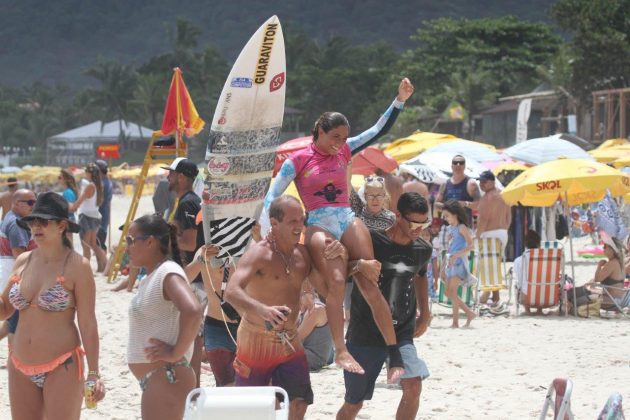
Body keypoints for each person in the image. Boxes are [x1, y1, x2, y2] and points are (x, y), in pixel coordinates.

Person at [260, 78, 414, 376]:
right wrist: (271, 225)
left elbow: (378, 129)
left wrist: (400, 100)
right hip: (318, 223)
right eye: (335, 136)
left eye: (344, 137)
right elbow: (272, 195)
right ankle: (341, 351)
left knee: (371, 281)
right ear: (319, 131)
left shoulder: (345, 150)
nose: (340, 143)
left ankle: (394, 354)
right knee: (337, 282)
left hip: (346, 217)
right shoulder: (298, 160)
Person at [226, 196, 346, 420]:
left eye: (301, 220)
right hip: (256, 339)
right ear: (274, 223)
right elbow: (231, 291)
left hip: (289, 339)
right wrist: (263, 310)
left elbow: (327, 290)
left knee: (300, 401)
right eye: (292, 221)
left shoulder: (302, 254)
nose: (299, 226)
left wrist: (341, 257)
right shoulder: (259, 254)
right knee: (252, 409)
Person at [0, 192, 105, 419]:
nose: (36, 227)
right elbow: (5, 309)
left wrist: (94, 373)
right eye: (33, 221)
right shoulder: (23, 261)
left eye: (44, 222)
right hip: (19, 364)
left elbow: (87, 323)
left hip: (62, 364)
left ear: (61, 226)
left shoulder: (78, 266)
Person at [337, 192, 432, 420]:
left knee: (413, 387)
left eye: (424, 223)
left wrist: (426, 314)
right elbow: (342, 270)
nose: (418, 228)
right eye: (413, 222)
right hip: (365, 332)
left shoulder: (423, 249)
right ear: (398, 215)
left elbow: (421, 276)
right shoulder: (372, 241)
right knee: (354, 403)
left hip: (402, 332)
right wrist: (358, 263)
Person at [126, 214, 202, 419]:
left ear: (150, 242)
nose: (127, 248)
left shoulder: (167, 271)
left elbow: (193, 311)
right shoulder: (154, 275)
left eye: (131, 241)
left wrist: (176, 353)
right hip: (162, 378)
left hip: (168, 375)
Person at [161, 157, 205, 387]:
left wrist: (162, 239)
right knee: (192, 336)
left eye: (170, 173)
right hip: (193, 276)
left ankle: (192, 386)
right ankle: (192, 385)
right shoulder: (187, 201)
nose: (167, 177)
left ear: (181, 177)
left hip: (193, 278)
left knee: (191, 337)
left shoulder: (188, 203)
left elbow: (189, 242)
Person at [0, 189, 37, 343]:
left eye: (35, 201)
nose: (33, 206)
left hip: (7, 271)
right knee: (16, 318)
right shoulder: (17, 224)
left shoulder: (10, 216)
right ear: (16, 203)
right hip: (15, 274)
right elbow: (19, 255)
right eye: (29, 202)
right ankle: (15, 358)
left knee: (12, 319)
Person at [475, 170, 512, 306]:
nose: (481, 184)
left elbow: (483, 220)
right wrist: (504, 229)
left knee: (488, 266)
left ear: (492, 182)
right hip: (502, 233)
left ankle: (489, 293)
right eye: (480, 181)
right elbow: (509, 216)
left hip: (489, 233)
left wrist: (477, 235)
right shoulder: (504, 195)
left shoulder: (487, 198)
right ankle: (495, 298)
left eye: (484, 181)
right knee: (495, 265)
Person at [441, 199, 477, 328]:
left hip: (459, 263)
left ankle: (468, 314)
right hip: (451, 262)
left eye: (447, 216)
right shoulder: (452, 229)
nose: (445, 218)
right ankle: (457, 321)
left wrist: (457, 255)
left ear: (455, 214)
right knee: (449, 293)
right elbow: (449, 249)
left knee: (451, 292)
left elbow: (471, 245)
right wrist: (443, 268)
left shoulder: (462, 227)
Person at [69, 163, 107, 271]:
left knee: (85, 245)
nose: (85, 174)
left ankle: (85, 269)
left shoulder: (90, 186)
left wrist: (72, 207)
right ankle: (107, 265)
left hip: (86, 217)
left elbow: (81, 200)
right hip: (95, 216)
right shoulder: (98, 185)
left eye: (86, 172)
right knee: (93, 245)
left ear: (89, 173)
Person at [434, 155, 481, 226]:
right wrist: (449, 207)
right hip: (447, 228)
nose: (458, 165)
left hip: (464, 227)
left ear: (464, 166)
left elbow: (479, 205)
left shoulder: (471, 184)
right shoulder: (445, 184)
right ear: (451, 166)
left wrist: (465, 204)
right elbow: (436, 205)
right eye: (455, 163)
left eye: (461, 163)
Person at [297, 284, 333, 371]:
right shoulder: (304, 309)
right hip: (311, 353)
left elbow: (296, 338)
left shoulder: (316, 309)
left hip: (315, 358)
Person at [586, 235, 625, 310]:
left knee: (580, 294)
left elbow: (597, 279)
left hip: (611, 301)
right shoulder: (620, 262)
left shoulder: (612, 263)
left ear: (611, 250)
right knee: (588, 290)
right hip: (619, 300)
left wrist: (599, 266)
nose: (603, 249)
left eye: (605, 247)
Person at [514, 230, 542, 314]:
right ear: (539, 244)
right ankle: (540, 309)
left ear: (525, 244)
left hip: (526, 298)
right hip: (545, 298)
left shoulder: (518, 260)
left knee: (519, 284)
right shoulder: (547, 260)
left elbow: (519, 279)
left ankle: (527, 309)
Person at [95, 160, 113, 261]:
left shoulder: (103, 184)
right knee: (100, 242)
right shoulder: (107, 181)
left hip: (101, 216)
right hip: (104, 215)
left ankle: (103, 264)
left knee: (99, 242)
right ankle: (102, 265)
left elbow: (100, 201)